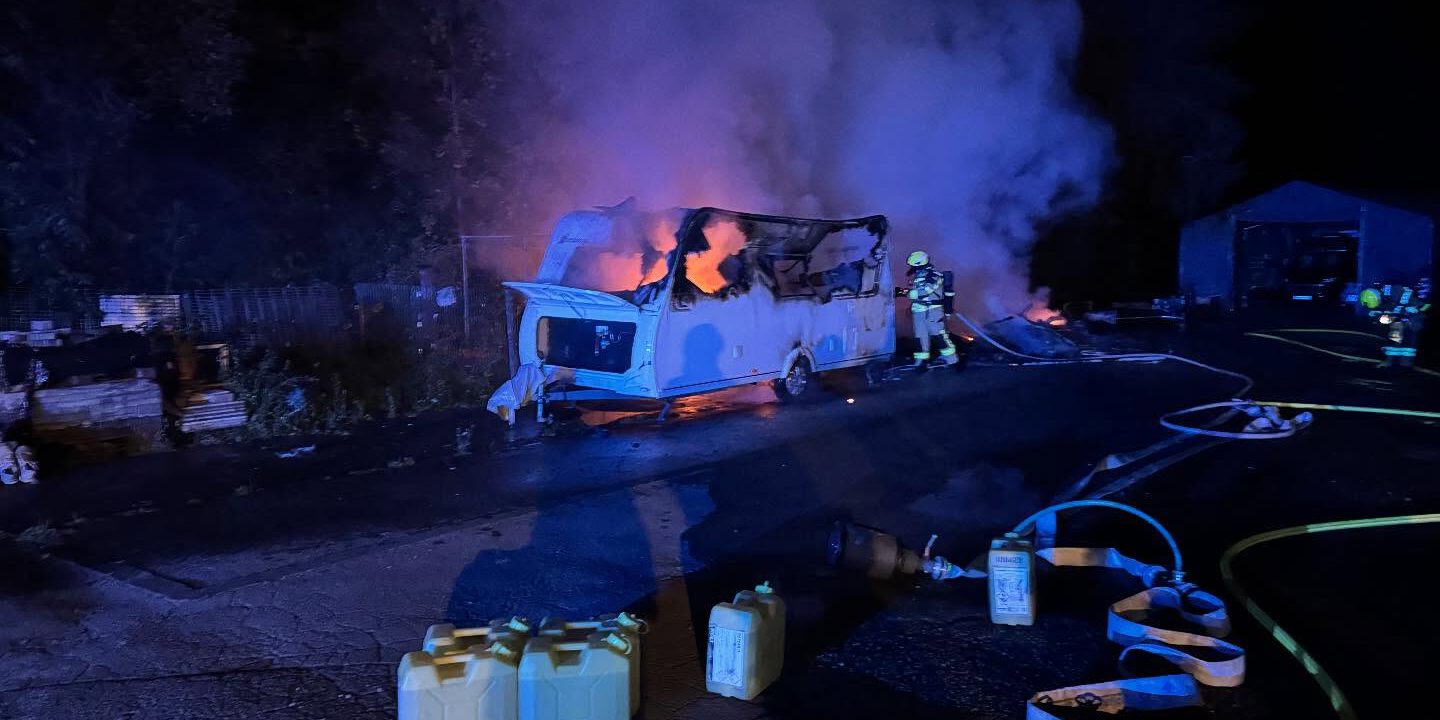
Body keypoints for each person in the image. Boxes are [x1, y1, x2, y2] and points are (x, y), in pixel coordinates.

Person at [903, 250, 958, 367]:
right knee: (919, 338)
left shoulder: (934, 276)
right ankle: (921, 361)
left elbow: (924, 292)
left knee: (939, 336)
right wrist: (906, 292)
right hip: (918, 312)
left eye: (913, 266)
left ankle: (952, 360)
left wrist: (907, 293)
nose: (912, 268)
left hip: (932, 312)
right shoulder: (916, 278)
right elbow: (914, 293)